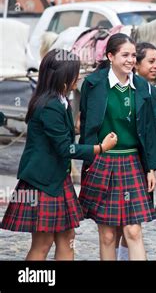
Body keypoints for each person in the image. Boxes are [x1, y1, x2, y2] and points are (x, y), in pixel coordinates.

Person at [0, 49, 118, 260]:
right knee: (42, 244)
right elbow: (65, 148)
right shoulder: (50, 105)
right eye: (75, 73)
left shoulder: (59, 100)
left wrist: (76, 129)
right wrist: (100, 148)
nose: (79, 77)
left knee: (67, 237)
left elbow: (57, 137)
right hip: (43, 182)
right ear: (63, 77)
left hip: (55, 179)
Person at [78, 33, 156, 260]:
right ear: (110, 56)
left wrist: (150, 168)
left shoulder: (143, 87)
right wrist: (87, 159)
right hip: (102, 162)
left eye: (134, 55)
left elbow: (150, 129)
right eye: (125, 55)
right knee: (106, 235)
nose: (130, 60)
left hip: (132, 162)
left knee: (133, 230)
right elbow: (86, 124)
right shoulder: (93, 84)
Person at [115, 42, 156, 260]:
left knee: (133, 224)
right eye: (150, 61)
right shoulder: (124, 89)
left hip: (142, 165)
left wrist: (151, 166)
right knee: (115, 225)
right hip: (119, 161)